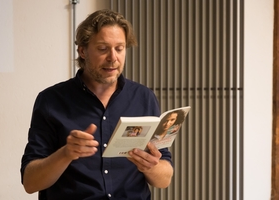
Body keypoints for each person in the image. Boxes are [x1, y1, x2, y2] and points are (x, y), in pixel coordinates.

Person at [20, 9, 174, 200]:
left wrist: (151, 166)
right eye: (103, 48)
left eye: (119, 48)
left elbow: (164, 180)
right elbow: (30, 182)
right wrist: (66, 154)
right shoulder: (51, 100)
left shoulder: (144, 97)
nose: (113, 58)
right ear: (83, 51)